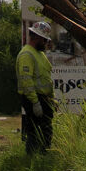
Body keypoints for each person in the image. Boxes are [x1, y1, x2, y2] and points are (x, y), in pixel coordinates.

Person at [16, 20, 56, 153]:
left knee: (46, 131)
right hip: (33, 99)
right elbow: (26, 81)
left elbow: (47, 79)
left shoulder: (40, 55)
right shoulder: (26, 54)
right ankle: (33, 159)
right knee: (35, 132)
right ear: (37, 37)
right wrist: (35, 102)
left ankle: (43, 157)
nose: (46, 43)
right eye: (44, 40)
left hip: (43, 99)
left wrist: (51, 99)